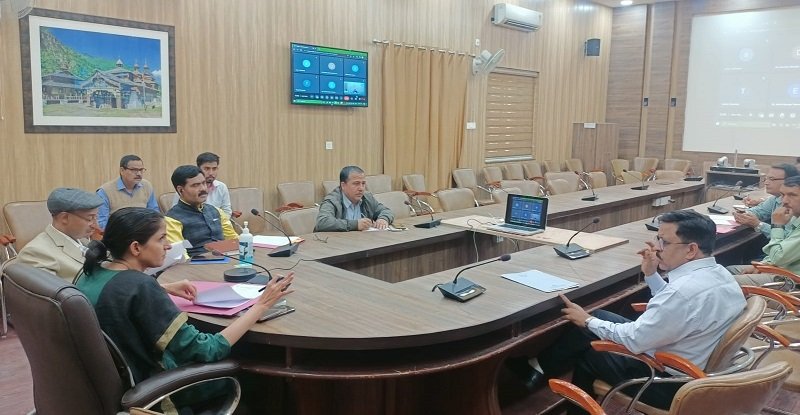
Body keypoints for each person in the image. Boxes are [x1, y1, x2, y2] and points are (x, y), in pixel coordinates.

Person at [507, 210, 745, 414]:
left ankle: (553, 385)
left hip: (669, 383)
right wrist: (651, 274)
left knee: (590, 352)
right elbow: (679, 308)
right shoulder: (720, 274)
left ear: (691, 250)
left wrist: (586, 321)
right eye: (657, 238)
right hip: (691, 365)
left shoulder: (682, 292)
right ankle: (536, 367)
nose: (656, 248)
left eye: (664, 242)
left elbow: (635, 340)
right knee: (601, 316)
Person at [75, 207, 293, 410]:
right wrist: (261, 304)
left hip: (113, 386)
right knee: (260, 361)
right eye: (161, 238)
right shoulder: (140, 287)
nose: (168, 245)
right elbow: (208, 350)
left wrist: (164, 287)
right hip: (160, 390)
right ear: (136, 247)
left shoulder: (91, 273)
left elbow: (114, 295)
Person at [14, 187, 102, 282]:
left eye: (96, 217)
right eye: (90, 219)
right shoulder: (36, 253)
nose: (95, 225)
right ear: (64, 218)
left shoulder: (82, 239)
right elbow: (50, 291)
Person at [730, 175, 800, 286]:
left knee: (722, 282)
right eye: (782, 195)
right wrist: (763, 265)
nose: (784, 201)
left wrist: (777, 225)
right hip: (782, 268)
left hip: (791, 281)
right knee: (729, 270)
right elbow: (784, 251)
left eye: (792, 195)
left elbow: (778, 257)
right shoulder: (795, 217)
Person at [165, 165, 237, 256]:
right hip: (195, 263)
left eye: (204, 183)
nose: (203, 188)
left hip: (228, 259)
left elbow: (233, 240)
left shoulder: (216, 211)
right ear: (180, 190)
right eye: (195, 185)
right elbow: (180, 257)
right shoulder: (172, 219)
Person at [314, 166, 394, 232]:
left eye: (363, 183)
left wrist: (383, 219)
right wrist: (355, 224)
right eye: (356, 184)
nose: (361, 188)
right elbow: (322, 223)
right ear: (343, 185)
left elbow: (386, 211)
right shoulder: (332, 200)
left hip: (362, 242)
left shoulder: (367, 197)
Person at [733, 163, 798, 237]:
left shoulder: (795, 206)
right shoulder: (775, 198)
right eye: (766, 179)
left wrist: (758, 224)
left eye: (772, 179)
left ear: (789, 181)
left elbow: (787, 238)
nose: (766, 183)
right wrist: (744, 215)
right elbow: (759, 211)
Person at [96, 155, 159, 229]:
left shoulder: (147, 186)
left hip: (143, 231)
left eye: (141, 170)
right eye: (134, 170)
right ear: (122, 171)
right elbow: (102, 223)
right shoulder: (105, 191)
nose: (139, 173)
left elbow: (155, 214)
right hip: (118, 232)